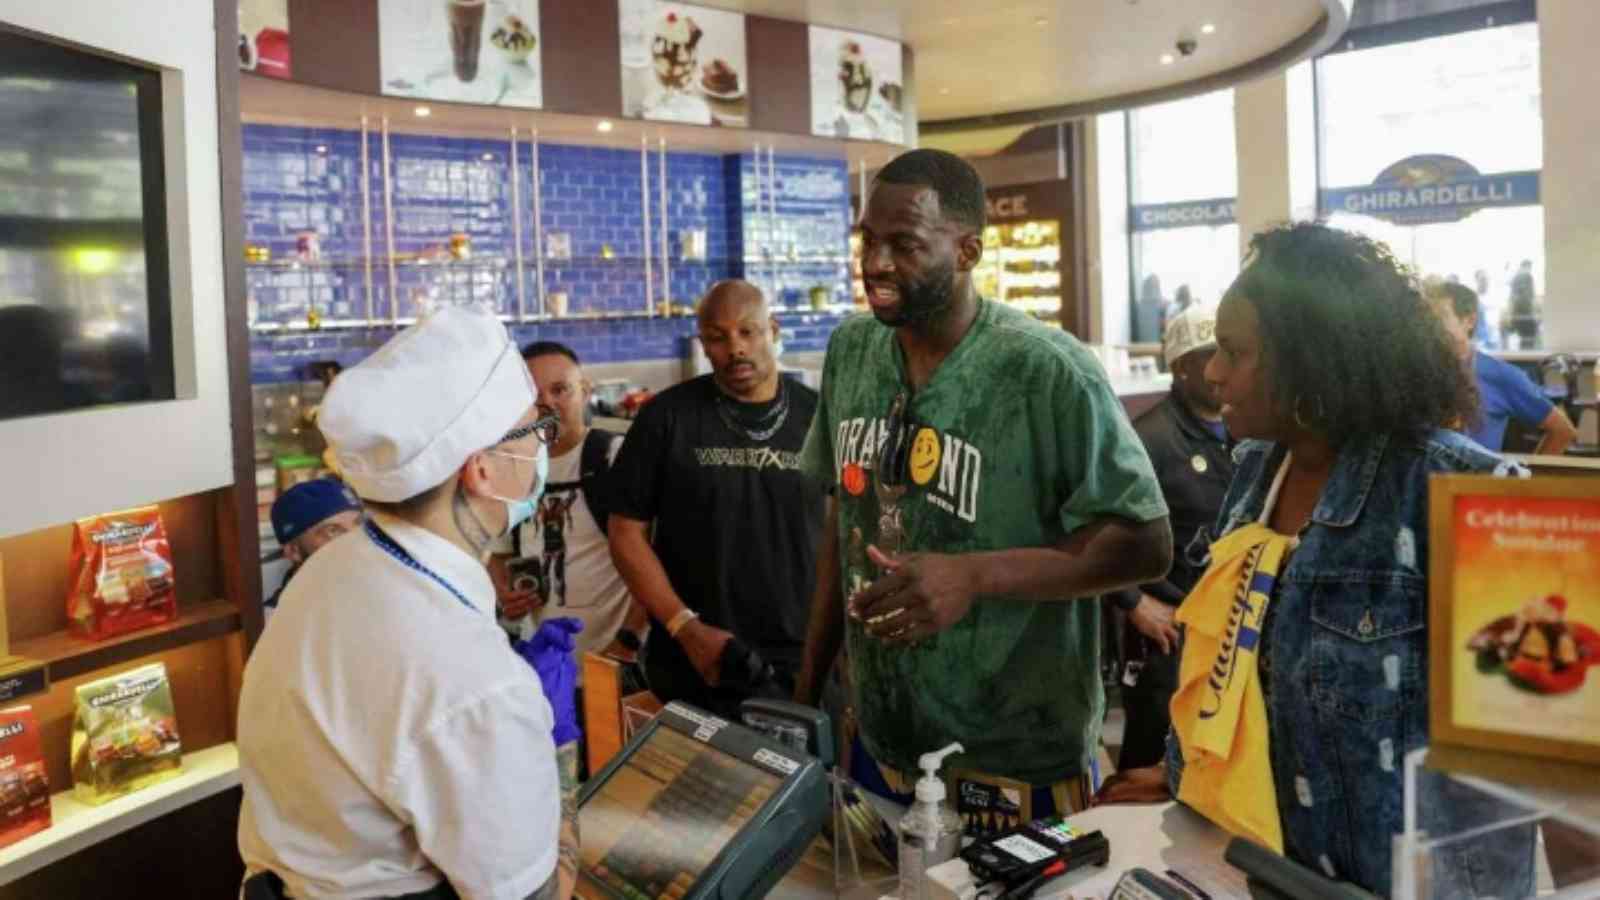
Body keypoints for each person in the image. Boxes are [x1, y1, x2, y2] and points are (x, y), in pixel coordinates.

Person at [1095, 223, 1535, 898]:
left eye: (1236, 353)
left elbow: (1539, 751)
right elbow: (1240, 661)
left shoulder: (1465, 497)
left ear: (1313, 361)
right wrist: (1185, 769)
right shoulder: (1255, 473)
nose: (1213, 372)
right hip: (1266, 863)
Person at [793, 148, 1173, 816]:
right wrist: (805, 700)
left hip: (1014, 758)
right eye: (868, 240)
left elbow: (1145, 543)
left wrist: (974, 575)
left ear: (967, 251)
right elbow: (842, 525)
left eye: (905, 245)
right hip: (880, 739)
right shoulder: (852, 350)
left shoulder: (1046, 369)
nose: (875, 265)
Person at [237, 308, 581, 900]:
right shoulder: (475, 683)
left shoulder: (327, 571)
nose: (542, 446)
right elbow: (531, 891)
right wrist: (557, 759)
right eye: (532, 432)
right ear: (481, 470)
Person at [608, 280, 826, 719]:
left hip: (803, 660)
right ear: (703, 343)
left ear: (773, 329)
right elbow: (625, 533)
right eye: (717, 337)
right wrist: (684, 627)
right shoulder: (666, 417)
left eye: (748, 332)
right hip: (694, 658)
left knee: (808, 784)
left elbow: (848, 530)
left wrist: (838, 646)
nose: (735, 349)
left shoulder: (819, 415)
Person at [1106, 305, 1233, 771]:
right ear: (1181, 368)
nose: (1222, 368)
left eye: (1228, 354)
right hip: (1169, 639)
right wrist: (1134, 602)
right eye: (1209, 356)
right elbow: (1099, 526)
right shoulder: (1148, 439)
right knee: (1151, 765)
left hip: (1230, 630)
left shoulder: (1246, 429)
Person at [491, 341, 648, 661]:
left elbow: (659, 559)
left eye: (560, 390)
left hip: (617, 660)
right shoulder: (514, 467)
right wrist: (504, 591)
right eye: (534, 397)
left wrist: (627, 643)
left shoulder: (617, 457)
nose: (547, 404)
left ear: (585, 390)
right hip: (544, 661)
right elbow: (497, 553)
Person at [1428, 281, 1576, 455]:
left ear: (1469, 320)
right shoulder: (1419, 372)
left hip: (1473, 479)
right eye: (1427, 318)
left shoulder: (1499, 375)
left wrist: (1529, 479)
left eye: (1441, 316)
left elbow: (1562, 431)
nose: (1430, 326)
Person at [264, 477, 364, 614]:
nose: (356, 539)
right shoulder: (274, 621)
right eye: (332, 531)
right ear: (294, 551)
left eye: (358, 523)